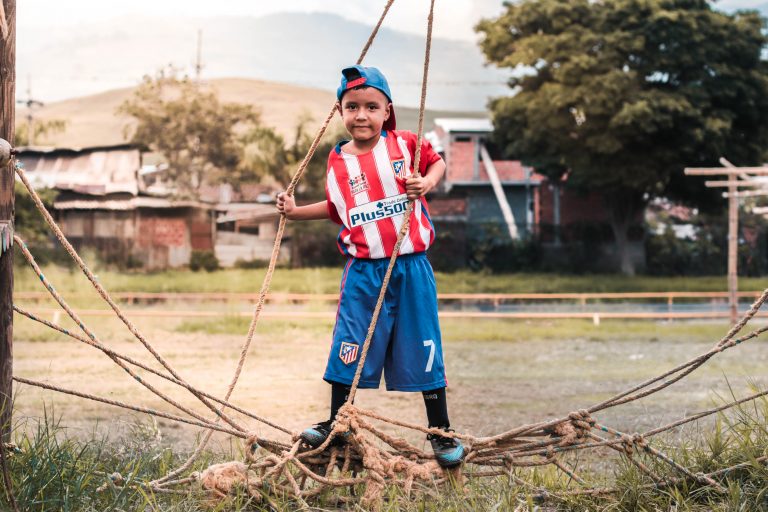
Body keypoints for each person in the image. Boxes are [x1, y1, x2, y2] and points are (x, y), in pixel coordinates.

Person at [276, 65, 464, 468]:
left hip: (410, 267)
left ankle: (441, 431)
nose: (361, 114)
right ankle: (336, 424)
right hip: (363, 272)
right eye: (352, 106)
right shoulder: (337, 162)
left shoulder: (406, 145)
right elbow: (337, 209)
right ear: (340, 111)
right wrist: (294, 212)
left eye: (371, 107)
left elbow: (439, 163)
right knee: (349, 342)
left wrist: (426, 184)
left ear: (386, 111)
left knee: (424, 344)